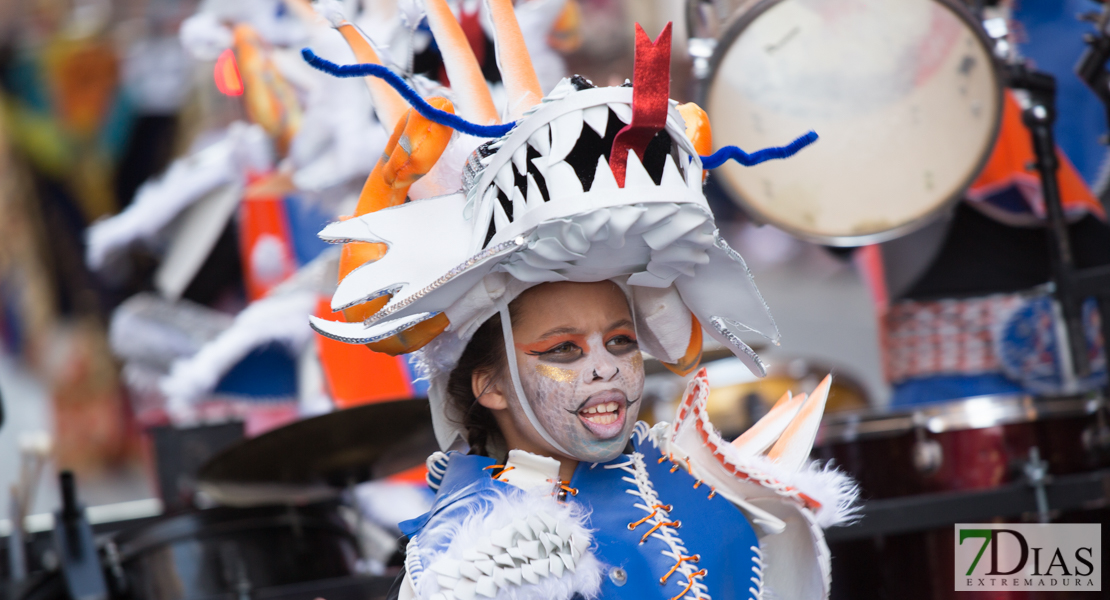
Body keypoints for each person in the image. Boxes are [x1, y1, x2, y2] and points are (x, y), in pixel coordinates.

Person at [306, 2, 858, 598]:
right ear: (487, 385)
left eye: (620, 341)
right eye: (564, 350)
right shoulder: (480, 556)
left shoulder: (689, 482)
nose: (605, 368)